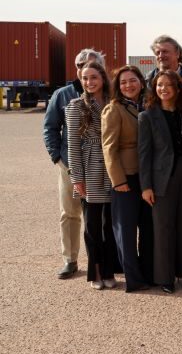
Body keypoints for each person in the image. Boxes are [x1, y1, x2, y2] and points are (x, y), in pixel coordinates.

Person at [43, 48, 104, 279]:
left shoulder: (107, 94)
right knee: (69, 213)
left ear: (99, 69)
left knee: (102, 216)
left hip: (100, 167)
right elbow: (50, 127)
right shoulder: (62, 94)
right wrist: (57, 158)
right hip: (70, 165)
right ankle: (70, 259)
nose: (82, 70)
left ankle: (103, 260)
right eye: (79, 65)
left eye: (88, 65)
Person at [139, 70, 182, 294]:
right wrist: (146, 186)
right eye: (159, 85)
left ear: (177, 88)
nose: (163, 89)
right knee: (163, 228)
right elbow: (144, 154)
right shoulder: (147, 116)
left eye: (168, 85)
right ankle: (165, 277)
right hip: (161, 179)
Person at [67, 61, 120, 289]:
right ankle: (95, 273)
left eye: (93, 77)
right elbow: (72, 144)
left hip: (113, 167)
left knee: (110, 225)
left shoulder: (113, 102)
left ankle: (110, 271)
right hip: (90, 170)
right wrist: (77, 177)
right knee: (92, 226)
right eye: (85, 78)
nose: (89, 82)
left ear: (103, 78)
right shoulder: (76, 105)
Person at [102, 65, 154, 292]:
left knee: (148, 227)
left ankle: (149, 273)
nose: (128, 85)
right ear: (117, 86)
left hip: (146, 176)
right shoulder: (113, 109)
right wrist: (118, 180)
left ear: (141, 82)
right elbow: (109, 148)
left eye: (132, 81)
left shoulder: (148, 105)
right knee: (126, 230)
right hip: (126, 178)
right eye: (123, 82)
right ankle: (133, 279)